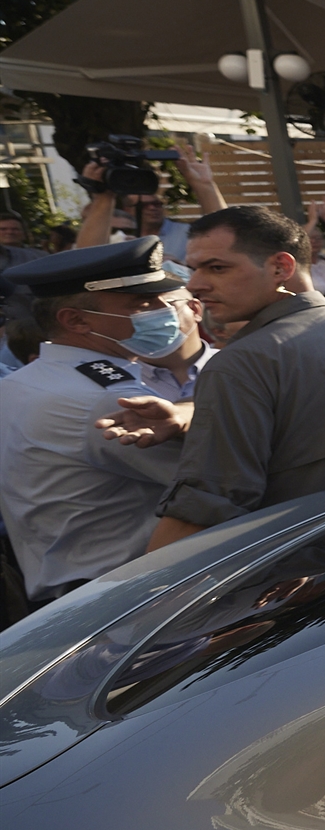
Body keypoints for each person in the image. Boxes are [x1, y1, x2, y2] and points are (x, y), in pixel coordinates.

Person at [94, 207, 325, 553]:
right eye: (194, 269)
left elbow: (207, 505)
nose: (195, 284)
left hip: (303, 577)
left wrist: (147, 590)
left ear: (280, 268)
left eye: (217, 268)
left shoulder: (240, 363)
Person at [0, 239, 191, 606]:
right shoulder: (104, 396)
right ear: (75, 320)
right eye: (142, 304)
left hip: (72, 599)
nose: (163, 310)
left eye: (162, 299)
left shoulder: (24, 381)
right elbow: (214, 478)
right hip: (125, 603)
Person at [74, 142, 227, 263]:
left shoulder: (188, 233)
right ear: (128, 210)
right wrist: (103, 197)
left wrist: (204, 186)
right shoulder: (118, 240)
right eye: (144, 205)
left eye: (157, 203)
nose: (152, 208)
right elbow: (85, 260)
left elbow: (224, 240)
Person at [0, 208, 45, 273]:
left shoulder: (39, 256)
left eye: (15, 229)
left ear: (24, 233)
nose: (10, 232)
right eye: (3, 229)